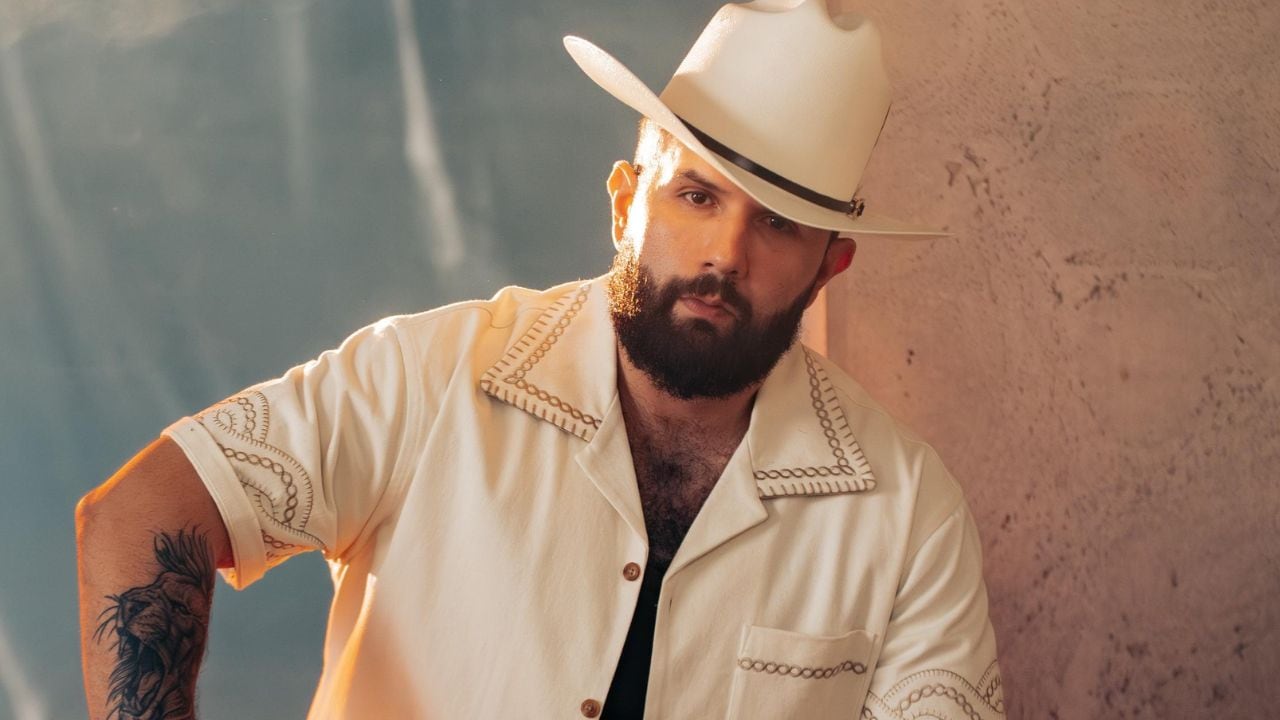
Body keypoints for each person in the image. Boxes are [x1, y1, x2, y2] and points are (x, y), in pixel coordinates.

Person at [76, 1, 1005, 718]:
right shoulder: (430, 378)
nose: (725, 254)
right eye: (695, 196)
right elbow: (141, 511)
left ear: (830, 267)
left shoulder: (906, 511)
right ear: (625, 203)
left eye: (779, 225)